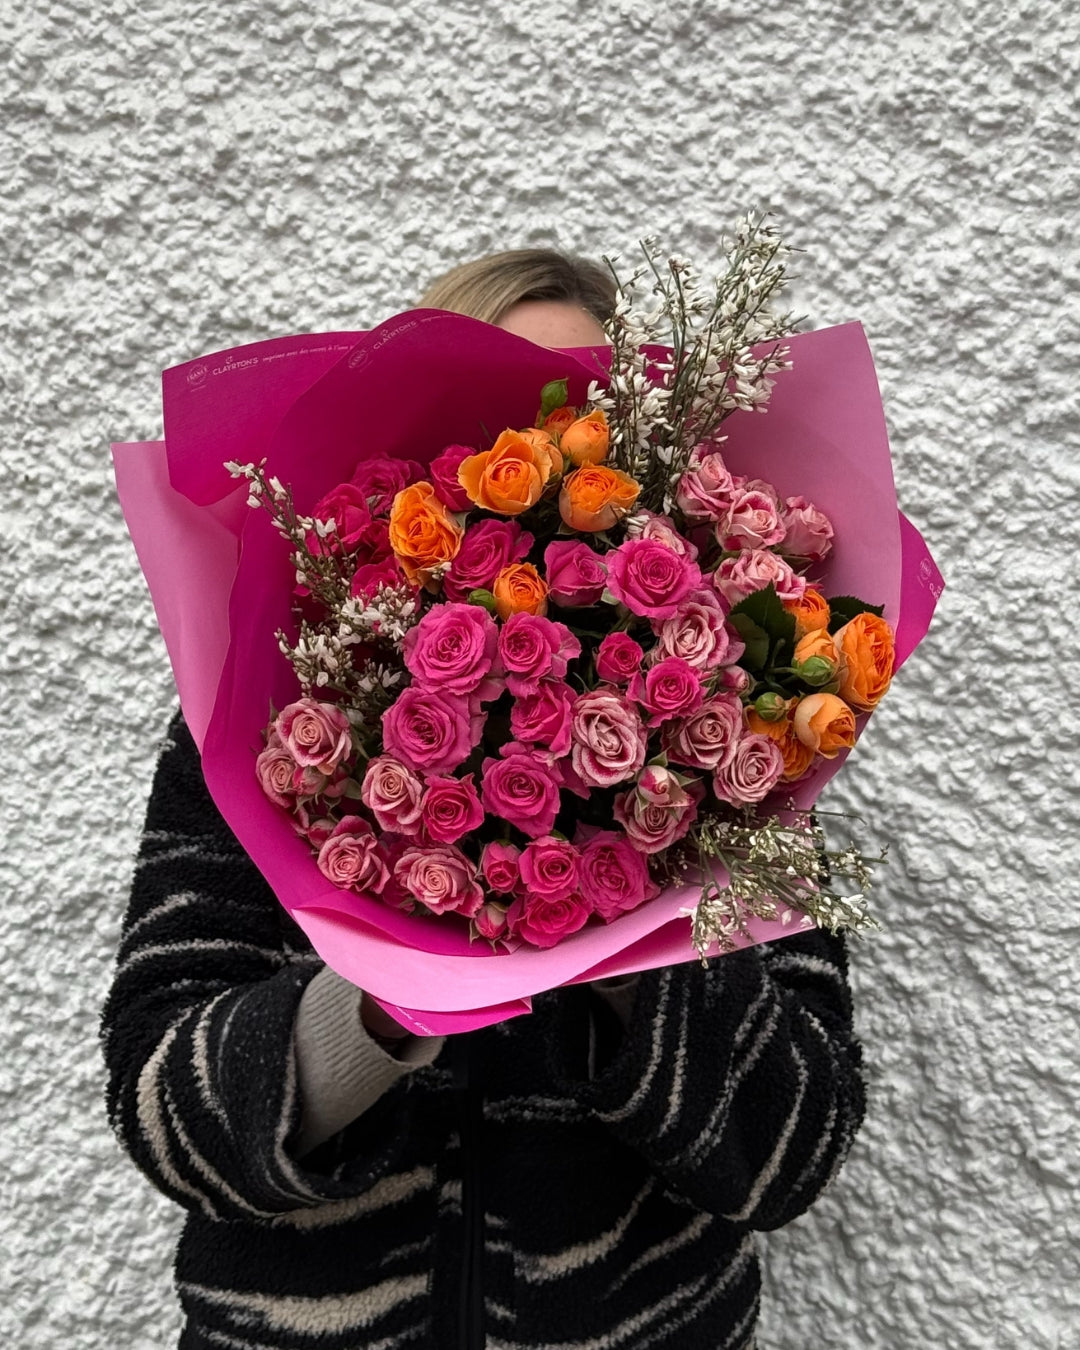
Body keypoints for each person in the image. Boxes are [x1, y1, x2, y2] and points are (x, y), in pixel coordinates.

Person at [101, 248, 866, 1350]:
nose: (539, 449)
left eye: (576, 412)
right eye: (496, 408)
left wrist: (622, 907)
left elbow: (793, 1151)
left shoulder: (735, 750)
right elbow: (162, 1116)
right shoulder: (269, 726)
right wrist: (385, 995)